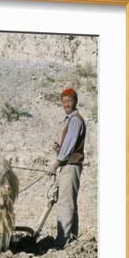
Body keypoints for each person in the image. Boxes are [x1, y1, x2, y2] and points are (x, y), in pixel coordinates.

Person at [47, 88, 87, 248]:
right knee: (69, 202)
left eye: (69, 101)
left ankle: (63, 241)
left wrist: (56, 162)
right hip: (70, 165)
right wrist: (60, 149)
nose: (66, 104)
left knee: (64, 203)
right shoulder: (71, 120)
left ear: (75, 101)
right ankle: (71, 239)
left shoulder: (75, 120)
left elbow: (69, 146)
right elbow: (69, 146)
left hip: (70, 166)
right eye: (64, 102)